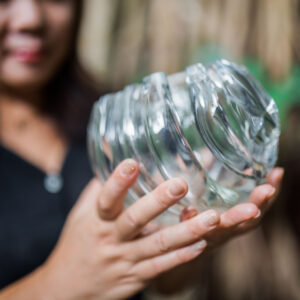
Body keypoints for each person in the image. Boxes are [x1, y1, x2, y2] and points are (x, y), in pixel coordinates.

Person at [0, 0, 283, 299]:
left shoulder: (116, 118)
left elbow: (161, 281)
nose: (31, 19)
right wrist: (57, 285)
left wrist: (190, 239)